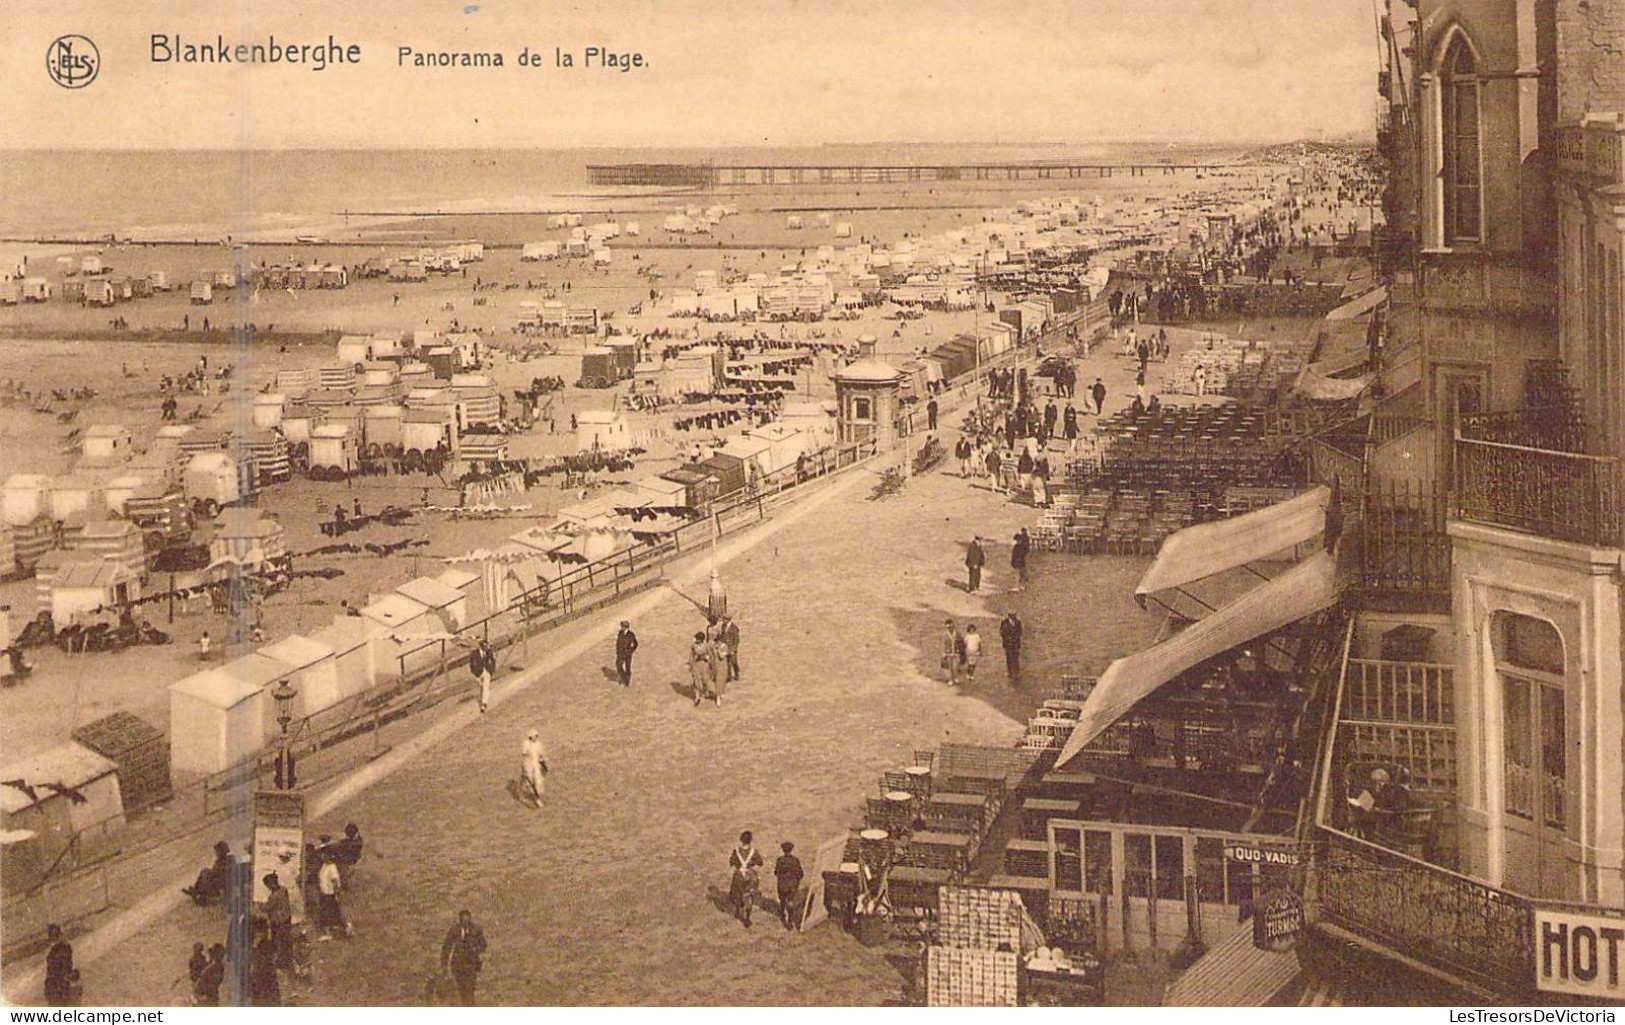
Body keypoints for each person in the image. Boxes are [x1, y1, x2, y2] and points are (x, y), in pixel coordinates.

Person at [441, 910, 487, 1006]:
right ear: (460, 921)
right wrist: (444, 965)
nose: (466, 923)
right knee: (462, 989)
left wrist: (475, 949)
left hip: (471, 964)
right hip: (458, 965)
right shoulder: (454, 930)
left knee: (470, 988)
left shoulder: (476, 930)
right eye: (463, 921)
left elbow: (483, 945)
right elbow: (447, 947)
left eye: (467, 921)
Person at [729, 831, 765, 928]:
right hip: (750, 875)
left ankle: (737, 910)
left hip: (739, 875)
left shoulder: (736, 851)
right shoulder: (754, 851)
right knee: (749, 895)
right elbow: (760, 863)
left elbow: (731, 862)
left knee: (737, 893)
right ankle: (747, 918)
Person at [184, 840, 235, 905]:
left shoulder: (224, 861)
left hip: (221, 882)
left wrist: (211, 872)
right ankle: (196, 890)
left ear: (222, 852)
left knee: (205, 873)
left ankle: (198, 892)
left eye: (217, 851)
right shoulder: (229, 859)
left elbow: (218, 872)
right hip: (222, 881)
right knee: (205, 873)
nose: (216, 853)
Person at [315, 851, 349, 940]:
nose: (322, 855)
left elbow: (335, 881)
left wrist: (337, 894)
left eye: (324, 854)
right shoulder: (324, 866)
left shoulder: (332, 867)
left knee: (327, 913)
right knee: (332, 912)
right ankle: (345, 926)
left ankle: (329, 933)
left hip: (330, 894)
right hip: (323, 893)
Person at [263, 873, 293, 969]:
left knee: (277, 941)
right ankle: (287, 960)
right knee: (285, 940)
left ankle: (281, 962)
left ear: (271, 885)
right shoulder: (284, 890)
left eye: (267, 886)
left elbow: (267, 907)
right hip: (286, 918)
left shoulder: (274, 896)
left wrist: (260, 905)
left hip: (277, 921)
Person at [775, 841, 805, 931]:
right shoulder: (795, 860)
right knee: (791, 901)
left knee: (782, 900)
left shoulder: (780, 860)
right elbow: (800, 873)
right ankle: (790, 921)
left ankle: (782, 913)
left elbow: (776, 872)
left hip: (782, 884)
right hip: (792, 885)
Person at [43, 924, 74, 1005]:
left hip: (56, 984)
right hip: (61, 984)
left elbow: (52, 969)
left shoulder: (56, 950)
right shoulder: (65, 947)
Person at [521, 729, 548, 806]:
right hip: (528, 766)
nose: (535, 738)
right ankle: (534, 798)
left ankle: (537, 798)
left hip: (536, 766)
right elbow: (524, 756)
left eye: (536, 736)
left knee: (537, 782)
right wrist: (524, 767)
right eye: (534, 736)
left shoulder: (538, 744)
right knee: (529, 782)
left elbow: (541, 755)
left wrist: (544, 765)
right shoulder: (526, 744)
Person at [470, 639, 496, 713]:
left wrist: (491, 670)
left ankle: (484, 704)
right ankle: (483, 700)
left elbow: (493, 660)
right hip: (478, 673)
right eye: (484, 647)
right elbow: (471, 664)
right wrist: (474, 672)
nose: (486, 648)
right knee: (481, 687)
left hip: (487, 671)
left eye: (486, 646)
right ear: (481, 647)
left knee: (486, 686)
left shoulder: (489, 652)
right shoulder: (474, 654)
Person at [689, 631, 711, 706]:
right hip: (696, 664)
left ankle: (706, 691)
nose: (696, 640)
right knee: (696, 681)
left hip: (704, 664)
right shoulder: (693, 646)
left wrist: (707, 659)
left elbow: (710, 655)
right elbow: (691, 656)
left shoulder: (706, 645)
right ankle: (697, 696)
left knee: (705, 679)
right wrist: (691, 665)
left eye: (698, 638)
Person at [999, 612, 1024, 682]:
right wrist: (1007, 638)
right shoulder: (1004, 622)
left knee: (1016, 658)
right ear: (1009, 616)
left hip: (1015, 643)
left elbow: (1020, 632)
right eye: (1012, 615)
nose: (1013, 617)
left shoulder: (1018, 622)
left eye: (1014, 615)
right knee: (1009, 658)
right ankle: (1010, 672)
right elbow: (1001, 632)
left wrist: (1015, 638)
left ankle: (1016, 672)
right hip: (1007, 644)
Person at [613, 620, 638, 686]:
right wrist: (617, 651)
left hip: (627, 654)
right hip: (620, 653)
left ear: (625, 627)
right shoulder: (620, 633)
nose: (621, 627)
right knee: (618, 665)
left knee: (627, 667)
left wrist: (631, 651)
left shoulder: (631, 634)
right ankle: (623, 677)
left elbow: (635, 644)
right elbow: (618, 643)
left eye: (622, 626)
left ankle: (627, 681)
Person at [709, 632, 730, 707]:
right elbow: (711, 655)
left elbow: (721, 656)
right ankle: (719, 693)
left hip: (722, 666)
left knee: (720, 680)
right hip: (715, 665)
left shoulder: (724, 647)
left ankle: (718, 696)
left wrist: (718, 650)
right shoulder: (714, 646)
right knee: (716, 680)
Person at [720, 615, 741, 682]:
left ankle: (736, 673)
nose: (723, 621)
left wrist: (734, 649)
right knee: (727, 662)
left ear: (728, 620)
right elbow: (723, 635)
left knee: (733, 662)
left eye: (724, 619)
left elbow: (736, 640)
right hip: (725, 647)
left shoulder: (734, 628)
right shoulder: (723, 626)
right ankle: (729, 676)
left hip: (732, 647)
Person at [941, 620, 961, 685]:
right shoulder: (945, 634)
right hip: (948, 652)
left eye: (951, 627)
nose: (950, 629)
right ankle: (950, 679)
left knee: (956, 666)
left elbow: (960, 642)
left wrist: (960, 650)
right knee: (950, 667)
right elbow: (944, 644)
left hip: (956, 652)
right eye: (948, 628)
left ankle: (955, 677)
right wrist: (944, 652)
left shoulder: (957, 633)